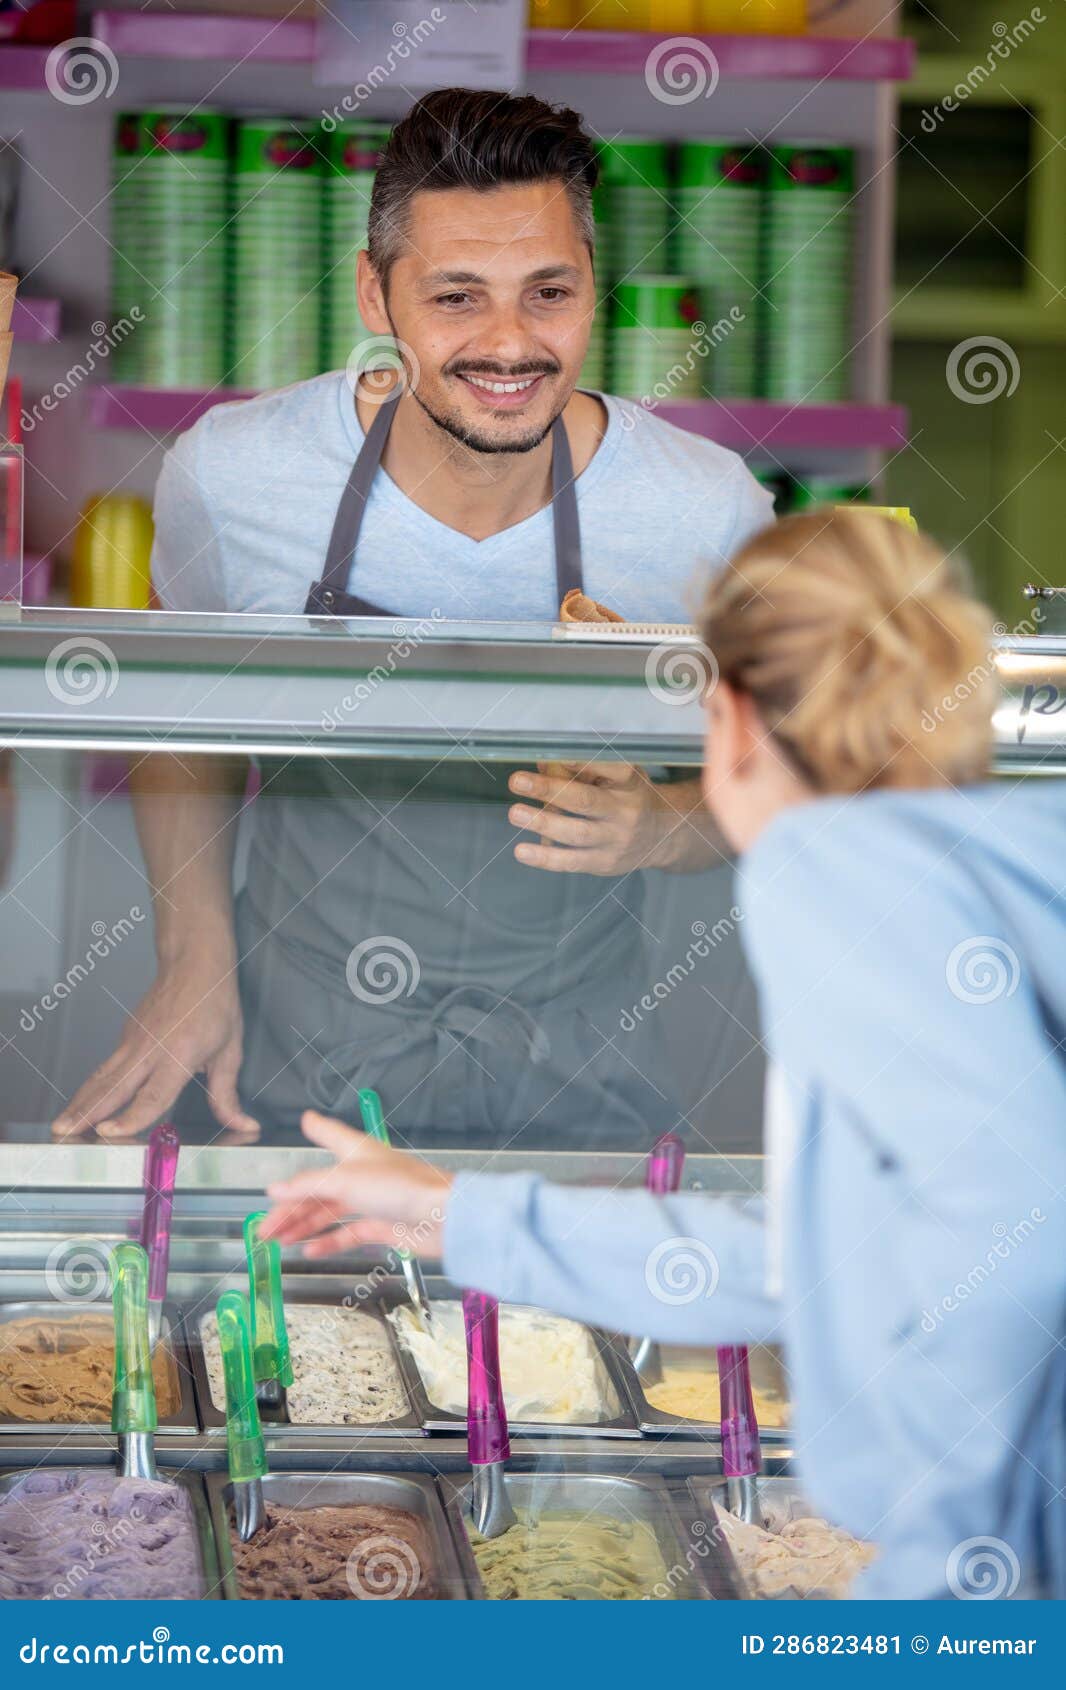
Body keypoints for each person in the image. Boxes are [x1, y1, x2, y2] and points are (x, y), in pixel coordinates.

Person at [262, 510, 1066, 1600]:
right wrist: (460, 1216)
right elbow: (821, 1256)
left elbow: (1003, 1247)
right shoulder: (1003, 851)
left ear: (728, 719)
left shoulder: (840, 872)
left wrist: (945, 1584)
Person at [54, 87, 771, 1146]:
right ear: (376, 297)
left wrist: (664, 826)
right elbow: (181, 725)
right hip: (297, 1076)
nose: (509, 343)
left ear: (593, 291)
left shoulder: (705, 510)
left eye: (548, 292)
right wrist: (192, 960)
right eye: (456, 298)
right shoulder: (237, 476)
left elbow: (795, 769)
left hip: (575, 1089)